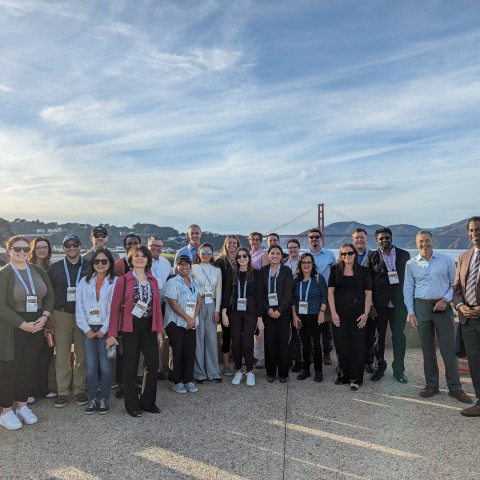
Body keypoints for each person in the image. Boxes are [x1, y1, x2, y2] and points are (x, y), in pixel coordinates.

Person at [404, 231, 472, 404]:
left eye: (427, 240)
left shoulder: (446, 260)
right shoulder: (410, 264)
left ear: (432, 241)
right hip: (421, 307)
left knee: (448, 350)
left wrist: (445, 300)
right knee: (427, 349)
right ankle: (432, 385)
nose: (424, 244)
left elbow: (455, 284)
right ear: (416, 243)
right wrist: (411, 312)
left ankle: (455, 388)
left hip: (442, 308)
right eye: (420, 241)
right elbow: (408, 289)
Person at [0, 235, 54, 430]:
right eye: (17, 249)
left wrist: (45, 315)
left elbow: (49, 296)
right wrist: (23, 325)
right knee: (9, 369)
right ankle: (6, 411)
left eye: (25, 249)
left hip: (36, 325)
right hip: (12, 328)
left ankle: (22, 405)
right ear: (9, 251)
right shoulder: (4, 274)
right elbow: (1, 307)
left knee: (27, 367)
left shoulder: (37, 270)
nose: (22, 252)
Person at [106, 245, 163, 417]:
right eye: (136, 256)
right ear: (131, 259)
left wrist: (159, 331)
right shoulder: (123, 280)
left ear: (147, 260)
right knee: (130, 365)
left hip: (149, 326)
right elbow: (115, 309)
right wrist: (112, 334)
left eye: (143, 256)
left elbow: (157, 309)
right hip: (130, 327)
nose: (140, 258)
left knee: (152, 363)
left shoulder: (152, 280)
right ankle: (132, 405)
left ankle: (147, 402)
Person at [47, 234, 90, 407]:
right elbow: (48, 295)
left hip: (83, 315)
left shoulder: (89, 266)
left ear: (80, 246)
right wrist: (49, 315)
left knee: (82, 355)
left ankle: (79, 390)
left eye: (75, 244)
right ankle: (63, 391)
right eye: (68, 245)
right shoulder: (54, 268)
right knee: (62, 356)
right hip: (61, 314)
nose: (72, 248)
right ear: (63, 248)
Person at [76, 248, 117, 414]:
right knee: (91, 367)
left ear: (110, 263)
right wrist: (86, 328)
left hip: (105, 329)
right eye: (97, 261)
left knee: (106, 366)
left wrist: (105, 329)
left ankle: (104, 398)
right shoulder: (84, 282)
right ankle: (93, 398)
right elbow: (79, 307)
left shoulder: (116, 281)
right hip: (88, 329)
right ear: (92, 264)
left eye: (104, 261)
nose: (100, 264)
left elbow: (115, 309)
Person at [367, 228, 410, 383]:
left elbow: (410, 279)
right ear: (376, 240)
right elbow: (368, 282)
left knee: (399, 337)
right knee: (379, 338)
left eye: (387, 237)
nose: (385, 240)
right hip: (379, 305)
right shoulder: (371, 257)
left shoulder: (405, 255)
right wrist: (370, 304)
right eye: (381, 238)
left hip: (399, 304)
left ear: (391, 238)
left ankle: (399, 370)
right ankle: (380, 368)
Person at [328, 244, 372, 391]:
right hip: (339, 313)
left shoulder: (364, 271)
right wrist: (333, 313)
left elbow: (368, 294)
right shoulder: (335, 270)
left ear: (355, 254)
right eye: (344, 254)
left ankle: (355, 379)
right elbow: (330, 293)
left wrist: (366, 314)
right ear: (340, 255)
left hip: (358, 314)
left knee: (357, 346)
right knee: (341, 345)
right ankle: (342, 376)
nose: (347, 256)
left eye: (350, 253)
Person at [221, 247, 264, 386]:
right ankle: (238, 370)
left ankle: (250, 371)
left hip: (250, 313)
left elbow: (259, 296)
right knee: (236, 343)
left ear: (249, 258)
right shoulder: (231, 273)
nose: (242, 258)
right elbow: (226, 293)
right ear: (237, 259)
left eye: (245, 256)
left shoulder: (256, 274)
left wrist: (259, 318)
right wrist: (223, 312)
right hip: (234, 313)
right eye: (239, 257)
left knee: (248, 343)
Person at [453, 217, 480, 416]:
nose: (474, 234)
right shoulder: (464, 256)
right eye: (471, 230)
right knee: (475, 362)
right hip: (468, 319)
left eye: (478, 230)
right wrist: (461, 306)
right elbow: (457, 287)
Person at [164, 255, 201, 394]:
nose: (184, 267)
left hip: (191, 323)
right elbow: (173, 303)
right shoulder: (172, 282)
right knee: (177, 351)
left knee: (189, 350)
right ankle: (176, 381)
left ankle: (188, 379)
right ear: (176, 266)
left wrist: (192, 319)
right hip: (175, 322)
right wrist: (187, 318)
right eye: (181, 264)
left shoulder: (195, 282)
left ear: (190, 266)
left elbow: (199, 301)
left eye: (187, 264)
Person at [28, 237, 56, 401]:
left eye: (45, 247)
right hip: (30, 315)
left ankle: (44, 389)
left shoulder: (53, 268)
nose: (42, 250)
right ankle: (30, 391)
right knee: (31, 355)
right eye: (38, 247)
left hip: (49, 315)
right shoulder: (27, 268)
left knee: (46, 352)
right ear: (33, 249)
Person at [292, 253, 328, 382]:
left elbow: (325, 296)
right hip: (300, 316)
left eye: (309, 262)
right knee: (304, 344)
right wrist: (295, 316)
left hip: (315, 315)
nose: (306, 265)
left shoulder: (319, 278)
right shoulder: (295, 280)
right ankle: (305, 369)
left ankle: (318, 371)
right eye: (304, 262)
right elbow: (292, 300)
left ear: (313, 264)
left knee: (316, 345)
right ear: (300, 265)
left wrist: (322, 312)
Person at [262, 245, 293, 383]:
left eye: (278, 253)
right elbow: (260, 293)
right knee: (269, 343)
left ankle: (283, 373)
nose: (275, 256)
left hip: (283, 313)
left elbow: (288, 294)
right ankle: (270, 372)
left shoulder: (286, 271)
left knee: (282, 343)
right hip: (267, 312)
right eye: (272, 253)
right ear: (268, 255)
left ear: (281, 256)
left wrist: (279, 310)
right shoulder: (263, 272)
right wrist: (268, 309)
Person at [191, 243, 222, 383]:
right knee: (198, 339)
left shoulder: (216, 270)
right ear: (198, 253)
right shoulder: (193, 268)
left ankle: (214, 372)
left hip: (211, 304)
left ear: (212, 254)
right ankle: (199, 373)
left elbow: (219, 291)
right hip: (197, 303)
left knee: (211, 339)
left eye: (209, 252)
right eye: (203, 251)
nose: (205, 254)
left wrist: (217, 310)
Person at [305, 228, 336, 366]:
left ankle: (327, 353)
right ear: (308, 239)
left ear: (321, 239)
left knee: (326, 327)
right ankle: (312, 352)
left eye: (317, 237)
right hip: (309, 295)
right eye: (311, 237)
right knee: (311, 324)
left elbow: (335, 273)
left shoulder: (330, 255)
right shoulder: (305, 255)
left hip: (326, 294)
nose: (314, 239)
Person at [214, 235, 241, 376]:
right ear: (225, 245)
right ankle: (226, 365)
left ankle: (239, 362)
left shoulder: (241, 259)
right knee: (226, 335)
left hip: (241, 303)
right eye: (229, 243)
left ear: (238, 245)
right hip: (226, 304)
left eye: (234, 243)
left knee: (239, 334)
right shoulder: (220, 262)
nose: (231, 245)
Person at [147, 236, 172, 380]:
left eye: (159, 246)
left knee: (160, 339)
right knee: (144, 339)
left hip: (161, 305)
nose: (156, 248)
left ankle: (157, 369)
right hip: (145, 307)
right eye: (153, 245)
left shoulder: (165, 263)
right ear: (148, 245)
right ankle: (141, 371)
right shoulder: (142, 260)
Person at [352, 228, 375, 374]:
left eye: (362, 237)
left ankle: (369, 361)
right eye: (356, 238)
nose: (359, 240)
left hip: (370, 301)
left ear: (366, 239)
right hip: (352, 301)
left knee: (370, 334)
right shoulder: (346, 254)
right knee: (353, 333)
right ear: (352, 240)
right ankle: (356, 361)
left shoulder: (374, 255)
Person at [284, 238, 303, 373]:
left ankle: (298, 360)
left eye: (295, 247)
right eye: (290, 247)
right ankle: (288, 357)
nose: (292, 249)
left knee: (298, 332)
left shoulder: (305, 262)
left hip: (300, 301)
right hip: (285, 302)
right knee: (287, 332)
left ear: (299, 248)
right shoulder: (283, 262)